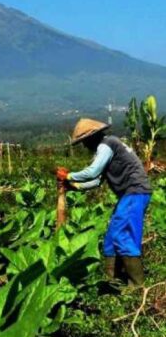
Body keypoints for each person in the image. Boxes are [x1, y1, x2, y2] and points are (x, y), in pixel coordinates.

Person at [57, 118, 152, 286]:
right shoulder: (106, 148)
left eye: (84, 142)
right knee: (111, 236)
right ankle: (112, 280)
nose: (84, 146)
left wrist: (69, 176)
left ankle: (137, 285)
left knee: (123, 236)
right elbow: (96, 181)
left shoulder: (106, 145)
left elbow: (92, 172)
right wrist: (74, 186)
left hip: (135, 192)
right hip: (129, 195)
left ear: (91, 138)